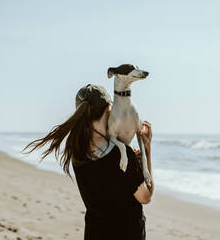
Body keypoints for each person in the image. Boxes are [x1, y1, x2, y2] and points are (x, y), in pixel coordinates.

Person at [22, 84, 154, 240]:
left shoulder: (77, 152)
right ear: (108, 110)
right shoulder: (120, 154)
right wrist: (147, 147)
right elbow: (145, 197)